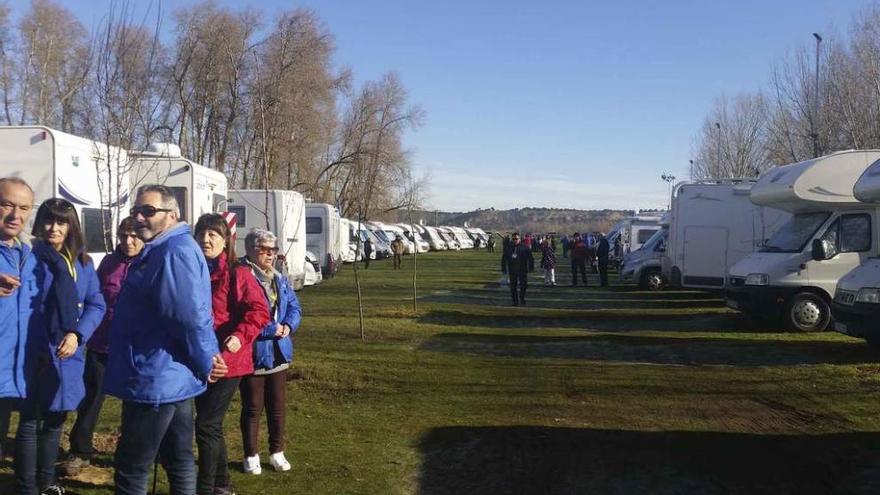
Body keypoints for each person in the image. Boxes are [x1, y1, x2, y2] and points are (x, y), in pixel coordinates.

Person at [105, 184, 227, 495]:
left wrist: (207, 362)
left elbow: (188, 316)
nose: (139, 218)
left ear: (171, 215)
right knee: (178, 458)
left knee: (132, 468)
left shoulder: (174, 252)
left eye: (148, 211)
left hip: (156, 379)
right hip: (170, 377)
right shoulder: (163, 249)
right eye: (136, 211)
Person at [17, 197, 107, 495]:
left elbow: (96, 304)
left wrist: (78, 334)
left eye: (61, 221)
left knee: (56, 420)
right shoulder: (29, 257)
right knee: (31, 421)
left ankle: (47, 482)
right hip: (36, 351)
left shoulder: (81, 261)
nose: (54, 228)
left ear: (71, 226)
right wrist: (43, 343)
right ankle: (28, 486)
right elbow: (25, 309)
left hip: (69, 353)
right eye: (48, 220)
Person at [61, 217, 144, 477]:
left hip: (136, 348)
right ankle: (80, 450)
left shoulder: (153, 261)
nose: (128, 242)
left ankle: (129, 454)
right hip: (103, 342)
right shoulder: (109, 262)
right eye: (123, 236)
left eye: (133, 236)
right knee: (91, 399)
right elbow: (95, 298)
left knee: (134, 404)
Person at [194, 214, 270, 495]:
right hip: (201, 358)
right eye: (202, 233)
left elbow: (260, 311)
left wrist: (239, 336)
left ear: (226, 240)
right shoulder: (195, 270)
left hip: (228, 362)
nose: (206, 239)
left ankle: (207, 487)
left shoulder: (238, 274)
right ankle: (222, 484)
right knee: (209, 425)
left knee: (206, 424)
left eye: (213, 234)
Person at [239, 229, 302, 476]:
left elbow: (294, 307)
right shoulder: (243, 276)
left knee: (277, 406)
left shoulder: (279, 278)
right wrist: (269, 328)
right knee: (252, 407)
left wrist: (288, 325)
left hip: (279, 352)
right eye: (265, 249)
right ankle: (250, 454)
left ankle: (277, 451)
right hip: (255, 352)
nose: (271, 255)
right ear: (251, 250)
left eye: (273, 250)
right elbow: (243, 314)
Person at [0, 178, 39, 464]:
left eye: (24, 208)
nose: (16, 215)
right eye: (6, 205)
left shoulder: (28, 255)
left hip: (14, 373)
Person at [501, 232, 534, 306]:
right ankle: (515, 301)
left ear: (519, 239)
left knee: (524, 286)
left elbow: (531, 258)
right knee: (513, 287)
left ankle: (522, 299)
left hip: (522, 269)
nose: (515, 240)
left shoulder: (525, 247)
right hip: (512, 270)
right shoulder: (508, 247)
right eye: (513, 239)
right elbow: (504, 258)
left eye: (516, 239)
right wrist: (503, 268)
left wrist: (531, 267)